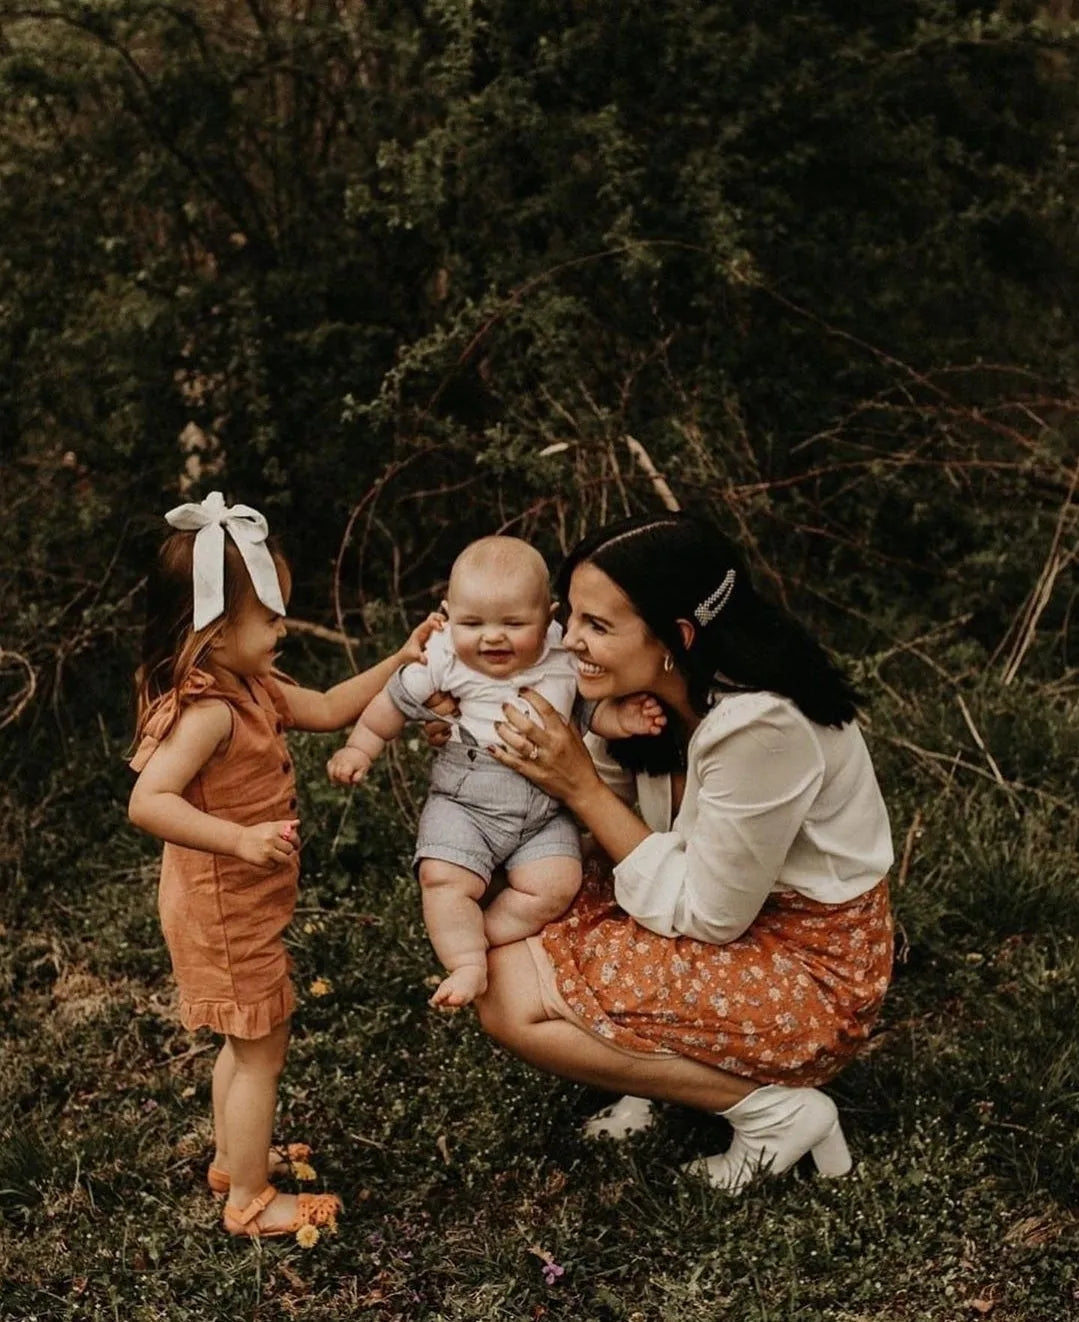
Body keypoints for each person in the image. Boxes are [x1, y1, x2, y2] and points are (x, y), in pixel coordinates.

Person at [472, 513, 895, 1193]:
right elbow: (588, 836)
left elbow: (709, 914)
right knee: (507, 901)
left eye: (598, 627)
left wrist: (578, 781)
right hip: (725, 916)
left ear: (679, 638)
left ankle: (775, 1112)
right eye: (570, 617)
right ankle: (661, 1069)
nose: (570, 642)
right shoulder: (646, 695)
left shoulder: (760, 725)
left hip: (810, 967)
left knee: (507, 998)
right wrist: (475, 747)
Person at [127, 492, 441, 1238]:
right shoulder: (209, 712)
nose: (281, 629)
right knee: (262, 1044)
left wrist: (399, 663)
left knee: (248, 1041)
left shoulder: (251, 688)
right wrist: (236, 839)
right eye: (267, 617)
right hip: (221, 908)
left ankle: (233, 1160)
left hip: (239, 905)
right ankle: (249, 1201)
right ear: (212, 628)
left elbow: (331, 706)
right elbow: (148, 802)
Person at [326, 535, 663, 1010]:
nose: (492, 637)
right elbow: (392, 702)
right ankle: (467, 961)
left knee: (556, 886)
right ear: (447, 615)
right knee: (443, 877)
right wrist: (361, 747)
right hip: (464, 801)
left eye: (513, 623)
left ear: (548, 617)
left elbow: (589, 713)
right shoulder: (443, 658)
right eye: (472, 623)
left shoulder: (564, 660)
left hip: (545, 810)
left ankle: (483, 934)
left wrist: (622, 720)